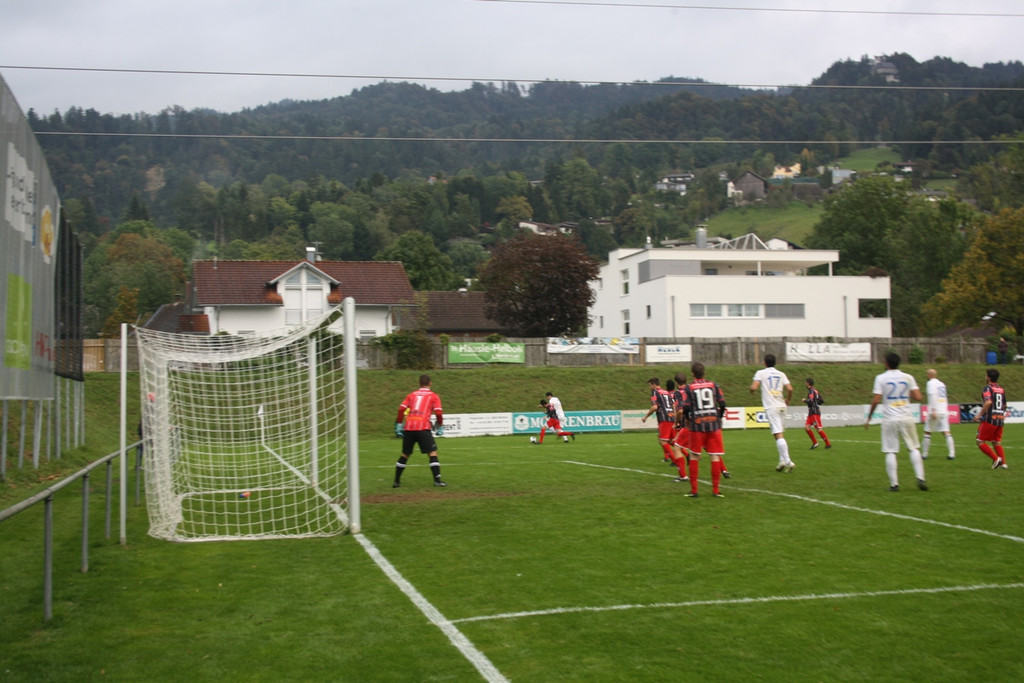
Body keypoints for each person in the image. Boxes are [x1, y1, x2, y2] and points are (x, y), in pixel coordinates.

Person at [865, 352, 928, 492]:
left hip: (890, 418)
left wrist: (869, 417)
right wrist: (907, 391)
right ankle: (921, 478)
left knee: (890, 451)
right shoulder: (908, 377)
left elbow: (876, 400)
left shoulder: (881, 378)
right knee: (913, 448)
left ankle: (894, 484)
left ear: (887, 363)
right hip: (906, 416)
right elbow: (918, 397)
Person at [681, 362, 727, 498]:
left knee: (694, 455)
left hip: (698, 424)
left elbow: (687, 407)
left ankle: (694, 490)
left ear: (692, 374)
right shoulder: (714, 385)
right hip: (713, 424)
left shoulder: (689, 388)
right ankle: (716, 491)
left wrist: (688, 420)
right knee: (714, 455)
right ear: (704, 373)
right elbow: (723, 403)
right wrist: (719, 416)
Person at [393, 374, 446, 488]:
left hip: (409, 426)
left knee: (405, 454)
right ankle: (437, 481)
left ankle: (396, 481)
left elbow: (401, 408)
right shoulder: (433, 396)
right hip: (422, 427)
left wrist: (398, 424)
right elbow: (438, 412)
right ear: (430, 383)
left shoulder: (411, 395)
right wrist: (440, 425)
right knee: (432, 453)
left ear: (419, 384)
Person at [750, 354, 795, 472]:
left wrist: (751, 390)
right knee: (780, 434)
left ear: (764, 362)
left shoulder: (760, 373)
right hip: (781, 405)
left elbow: (754, 387)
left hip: (771, 406)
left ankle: (788, 461)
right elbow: (790, 389)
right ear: (775, 363)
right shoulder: (781, 374)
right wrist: (788, 399)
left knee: (777, 434)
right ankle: (782, 461)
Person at [974, 368, 1009, 469]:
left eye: (986, 376)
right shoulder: (1001, 389)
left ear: (989, 377)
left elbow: (988, 402)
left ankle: (996, 459)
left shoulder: (987, 388)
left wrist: (979, 415)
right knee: (996, 441)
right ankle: (1004, 463)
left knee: (980, 441)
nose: (985, 377)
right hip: (1000, 419)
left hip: (990, 419)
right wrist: (1000, 413)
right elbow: (1005, 405)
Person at [922, 368, 955, 460]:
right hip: (943, 410)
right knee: (946, 432)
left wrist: (933, 410)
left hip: (935, 410)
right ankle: (951, 454)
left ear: (929, 375)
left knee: (928, 432)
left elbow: (932, 396)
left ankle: (924, 454)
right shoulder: (942, 384)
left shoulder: (930, 383)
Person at [641, 377, 676, 464]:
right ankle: (686, 455)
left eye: (650, 385)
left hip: (664, 419)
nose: (649, 387)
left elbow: (654, 407)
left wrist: (645, 417)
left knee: (662, 441)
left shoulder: (655, 392)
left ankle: (675, 461)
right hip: (672, 417)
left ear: (654, 385)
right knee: (671, 441)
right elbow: (674, 405)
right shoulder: (666, 392)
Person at [802, 378, 832, 450]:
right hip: (811, 413)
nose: (805, 384)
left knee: (818, 429)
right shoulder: (815, 391)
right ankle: (815, 443)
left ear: (808, 383)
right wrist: (816, 404)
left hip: (814, 413)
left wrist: (805, 400)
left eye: (806, 383)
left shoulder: (811, 391)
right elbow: (821, 401)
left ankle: (828, 444)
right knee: (807, 427)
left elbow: (811, 402)